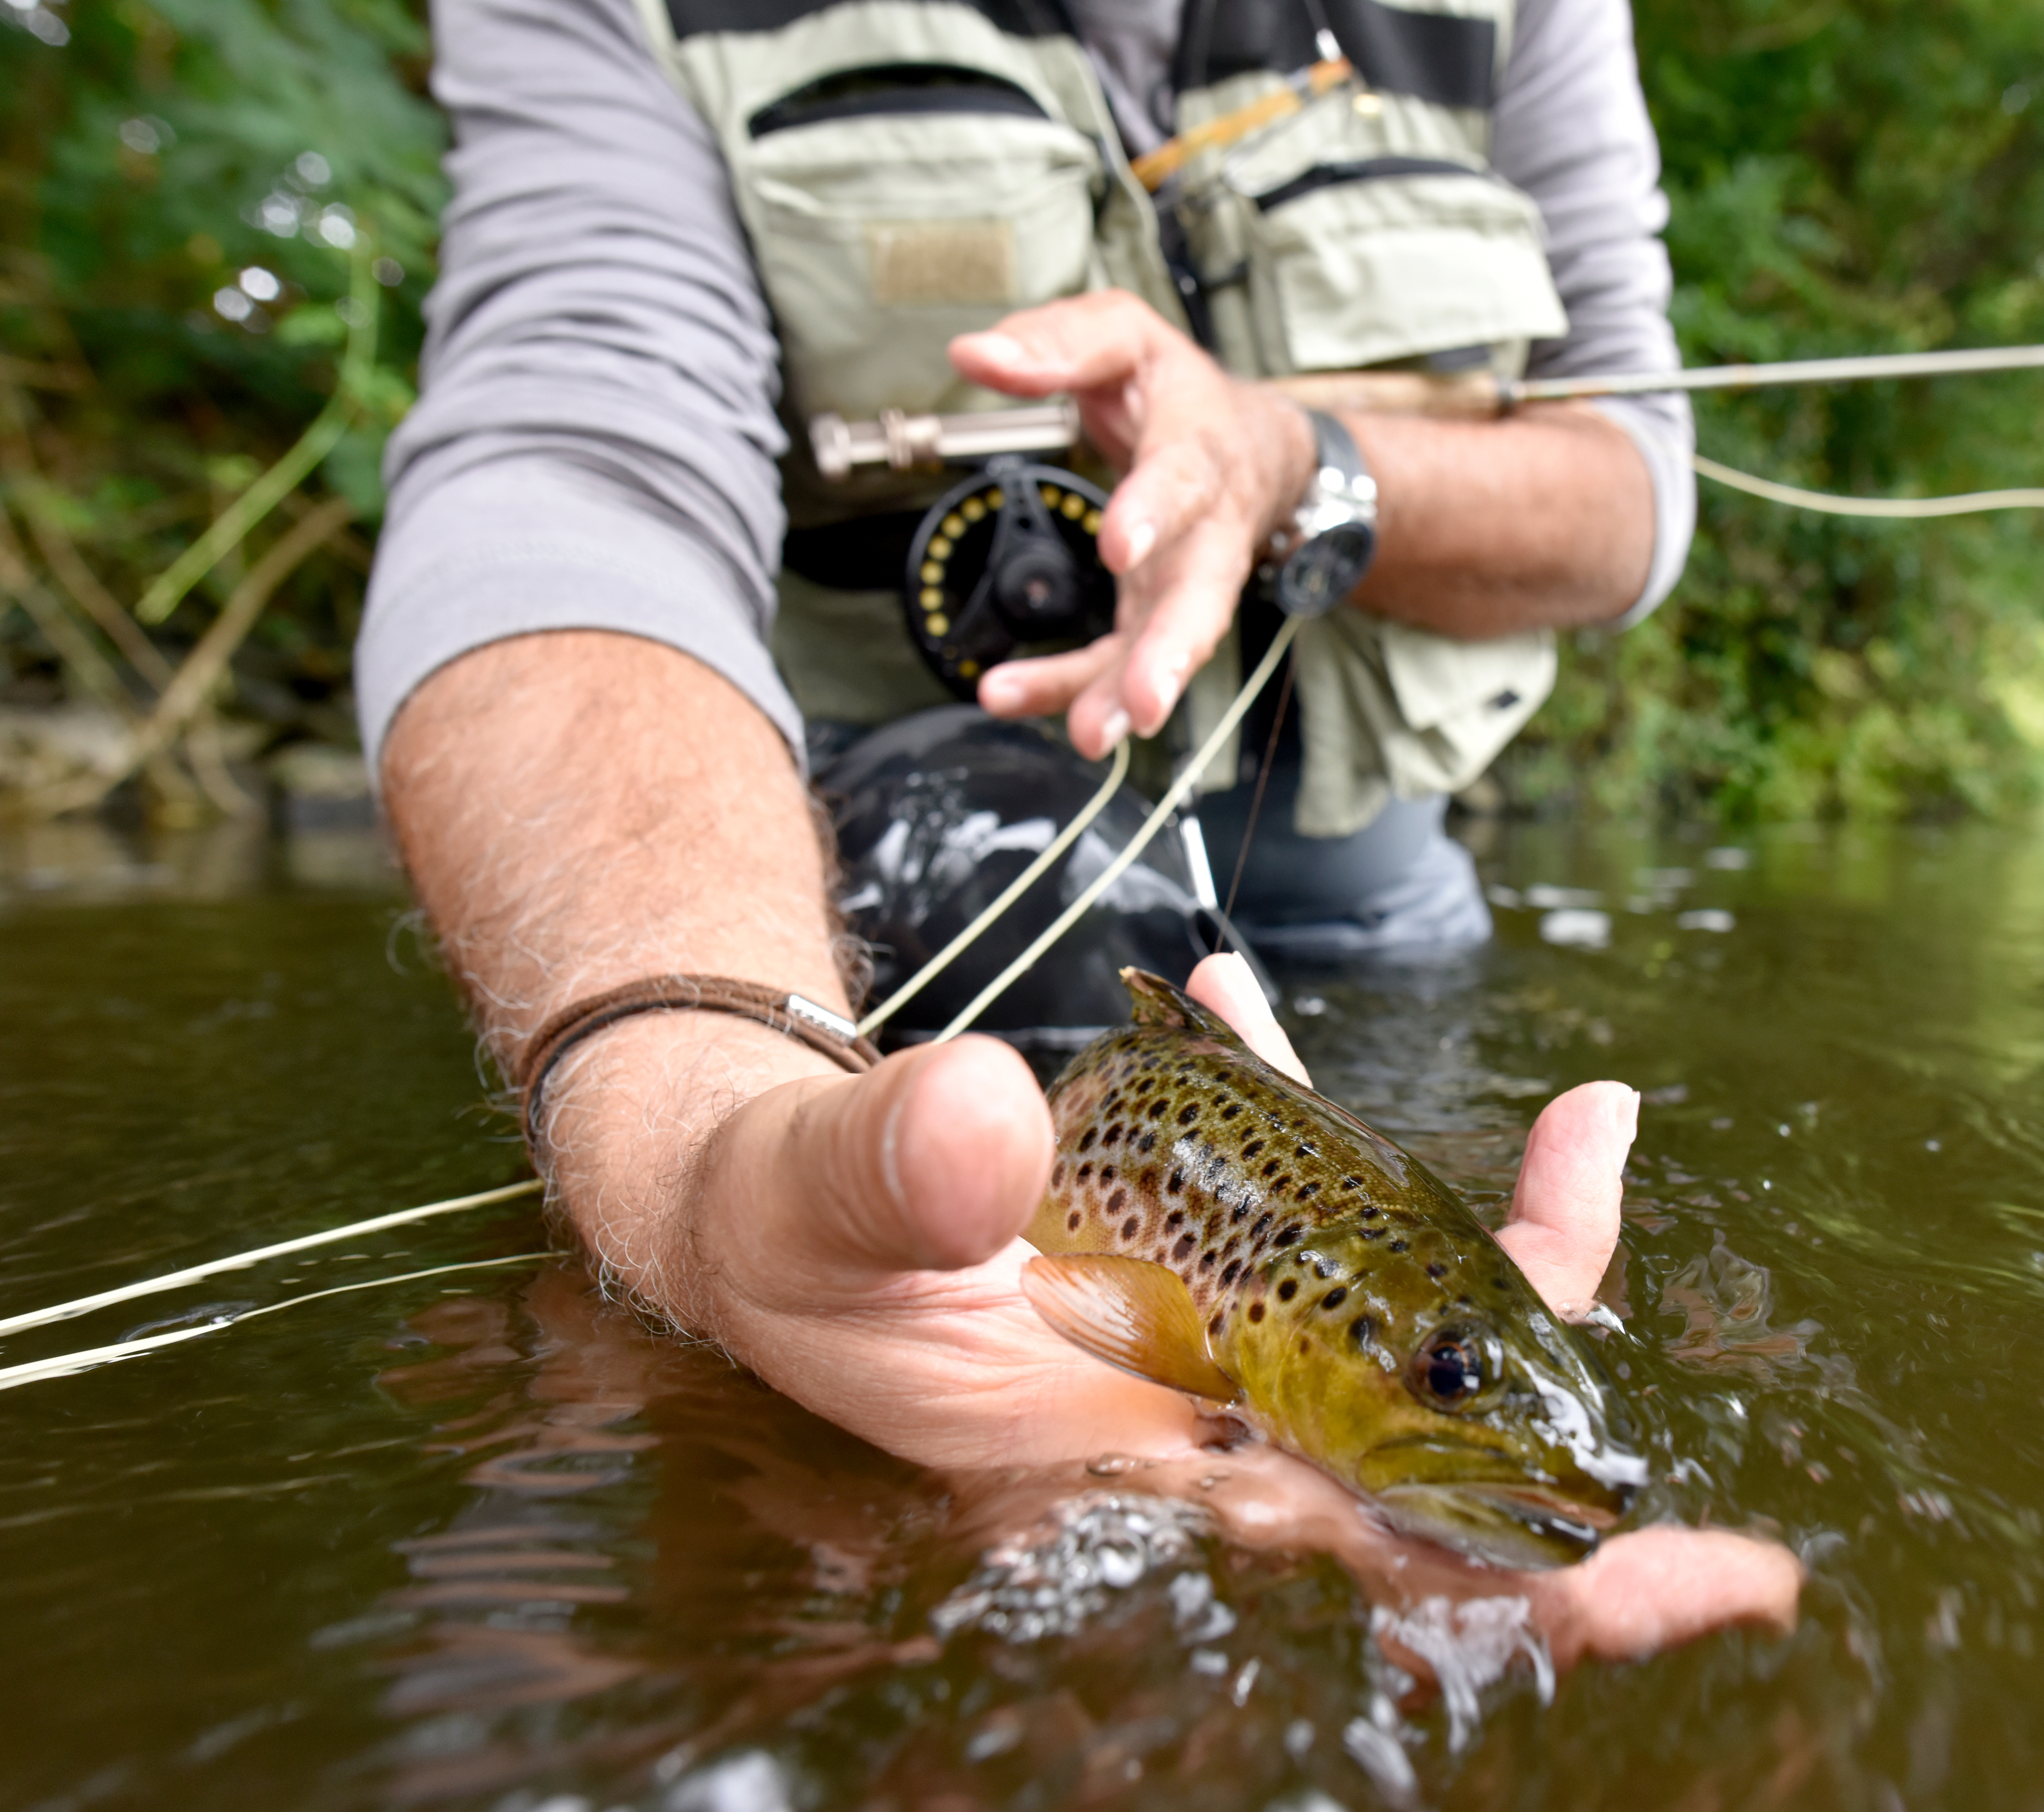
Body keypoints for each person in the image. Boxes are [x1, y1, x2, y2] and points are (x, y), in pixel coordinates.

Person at [360, 0, 1798, 1644]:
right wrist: (687, 1113)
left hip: (1370, 881)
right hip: (886, 895)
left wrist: (1299, 459)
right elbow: (565, 461)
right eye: (1450, 1375)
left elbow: (1628, 484)